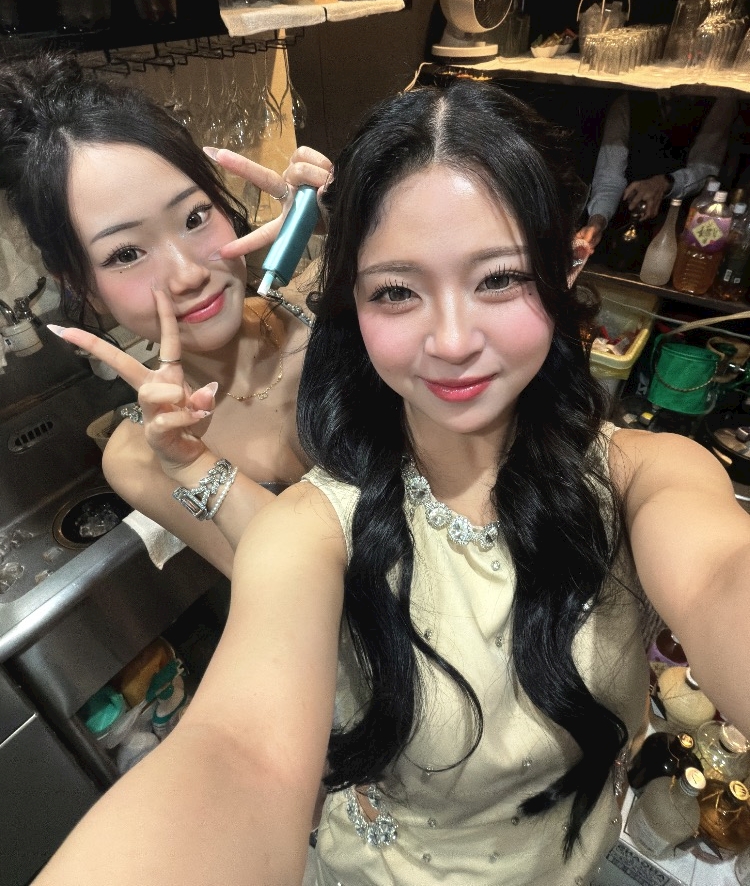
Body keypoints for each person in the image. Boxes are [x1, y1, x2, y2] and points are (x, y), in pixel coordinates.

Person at [33, 80, 750, 886]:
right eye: (397, 291)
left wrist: (344, 234)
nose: (451, 341)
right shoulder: (302, 519)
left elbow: (721, 574)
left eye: (499, 278)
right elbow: (240, 747)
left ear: (567, 264)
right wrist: (188, 461)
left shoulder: (645, 475)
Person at [0, 52, 331, 577]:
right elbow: (289, 586)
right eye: (126, 253)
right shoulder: (137, 455)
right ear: (82, 285)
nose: (187, 275)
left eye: (195, 217)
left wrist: (357, 226)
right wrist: (191, 462)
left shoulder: (324, 304)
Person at [579, 91, 737, 247]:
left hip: (679, 225)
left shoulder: (718, 100)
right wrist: (597, 221)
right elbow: (609, 178)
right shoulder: (627, 101)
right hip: (622, 220)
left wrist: (665, 183)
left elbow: (706, 169)